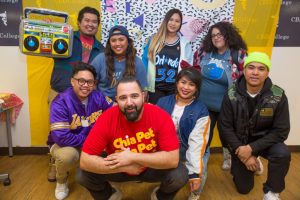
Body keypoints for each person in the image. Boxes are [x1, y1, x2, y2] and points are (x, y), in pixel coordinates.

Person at [77, 76, 188, 200]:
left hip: (150, 167)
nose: (129, 103)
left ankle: (160, 196)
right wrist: (124, 166)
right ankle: (109, 195)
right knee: (83, 175)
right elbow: (85, 161)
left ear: (143, 96)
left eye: (134, 96)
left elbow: (172, 159)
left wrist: (133, 157)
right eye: (123, 98)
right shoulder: (106, 119)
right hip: (119, 167)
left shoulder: (161, 116)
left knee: (180, 175)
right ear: (116, 100)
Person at [218, 52, 291, 200]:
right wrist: (242, 152)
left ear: (267, 72)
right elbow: (225, 127)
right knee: (244, 189)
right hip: (240, 143)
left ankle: (272, 192)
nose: (255, 72)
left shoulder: (278, 95)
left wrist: (251, 149)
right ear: (244, 71)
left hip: (265, 143)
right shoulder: (231, 94)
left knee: (282, 153)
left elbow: (281, 131)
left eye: (261, 69)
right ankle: (248, 162)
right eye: (251, 67)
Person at [47, 62, 113, 200]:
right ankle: (61, 180)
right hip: (66, 144)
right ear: (72, 81)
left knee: (114, 148)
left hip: (89, 141)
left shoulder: (98, 96)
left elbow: (115, 112)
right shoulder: (60, 102)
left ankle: (100, 182)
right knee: (67, 156)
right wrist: (91, 141)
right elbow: (61, 137)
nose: (85, 85)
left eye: (90, 82)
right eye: (81, 80)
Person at [193, 21, 247, 170]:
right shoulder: (203, 52)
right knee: (204, 136)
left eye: (219, 34)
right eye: (213, 36)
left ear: (228, 35)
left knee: (226, 134)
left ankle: (228, 156)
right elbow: (194, 72)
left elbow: (245, 80)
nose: (216, 38)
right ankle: (199, 166)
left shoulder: (239, 54)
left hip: (227, 105)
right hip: (204, 105)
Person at [157, 67, 210, 200]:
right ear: (177, 83)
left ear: (197, 88)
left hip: (187, 151)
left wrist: (194, 174)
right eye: (183, 82)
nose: (186, 87)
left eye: (191, 84)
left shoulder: (201, 111)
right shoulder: (162, 102)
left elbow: (196, 144)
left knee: (194, 175)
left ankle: (195, 193)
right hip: (165, 149)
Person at [50, 6, 104, 99]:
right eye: (87, 20)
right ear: (79, 23)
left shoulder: (101, 50)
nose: (90, 24)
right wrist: (47, 29)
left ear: (98, 26)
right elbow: (44, 47)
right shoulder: (64, 38)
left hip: (86, 98)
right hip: (59, 94)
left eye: (94, 22)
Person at [142, 8, 193, 104]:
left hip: (174, 89)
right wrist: (144, 87)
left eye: (177, 21)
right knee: (156, 116)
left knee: (171, 118)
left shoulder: (184, 43)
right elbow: (145, 63)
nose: (173, 23)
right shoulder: (154, 39)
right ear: (166, 21)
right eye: (171, 20)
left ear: (180, 24)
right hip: (155, 88)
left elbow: (188, 68)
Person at [91, 25, 148, 101]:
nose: (117, 43)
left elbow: (144, 91)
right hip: (103, 103)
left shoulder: (137, 62)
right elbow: (91, 84)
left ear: (128, 42)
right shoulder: (100, 59)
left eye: (121, 39)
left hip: (128, 104)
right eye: (113, 40)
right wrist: (102, 102)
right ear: (109, 43)